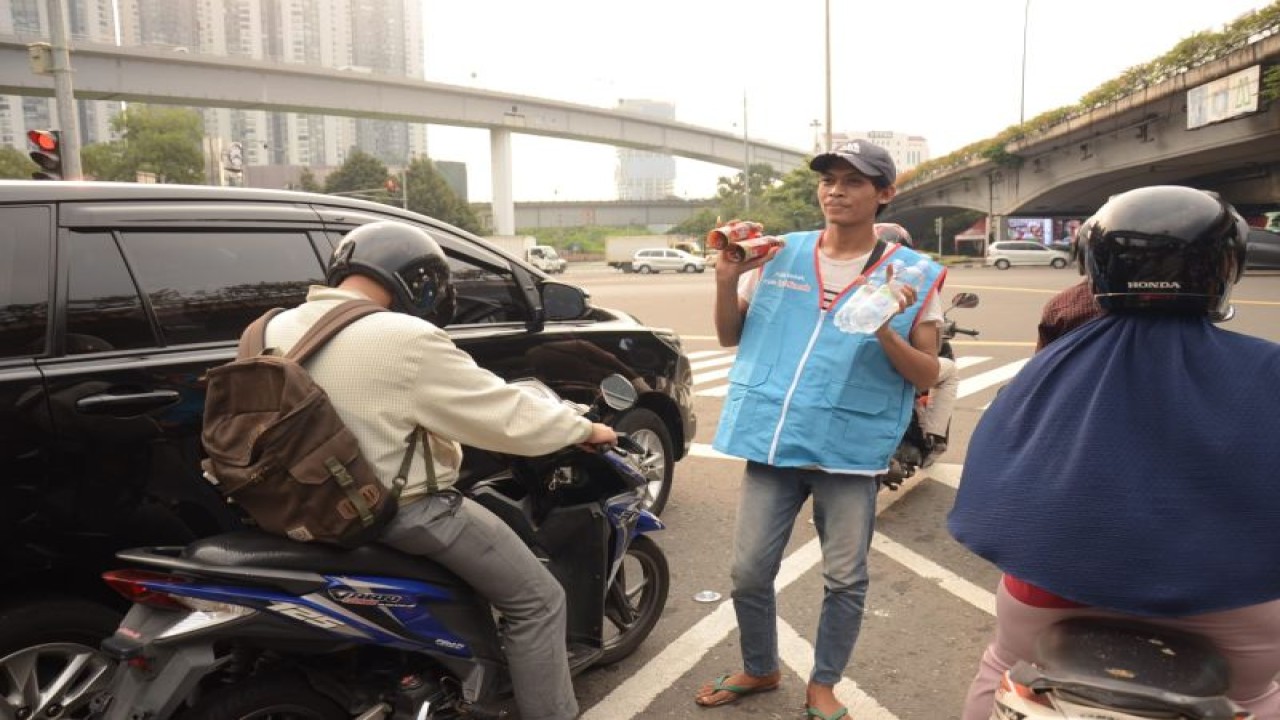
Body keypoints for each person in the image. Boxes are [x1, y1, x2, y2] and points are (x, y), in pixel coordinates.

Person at [947, 185, 1280, 720]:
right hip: (1237, 605)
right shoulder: (1269, 369)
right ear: (1226, 266)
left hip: (1047, 597)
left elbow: (994, 475)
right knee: (1252, 699)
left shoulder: (1048, 366)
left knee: (1003, 667)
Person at [262, 221, 616, 720]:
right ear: (419, 282)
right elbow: (501, 413)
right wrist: (584, 431)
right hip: (402, 513)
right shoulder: (403, 335)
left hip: (288, 509)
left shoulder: (271, 327)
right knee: (537, 601)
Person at [694, 139, 946, 720]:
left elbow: (928, 370)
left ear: (883, 195)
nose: (836, 190)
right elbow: (732, 337)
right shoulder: (779, 254)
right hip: (774, 441)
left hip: (849, 449)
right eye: (828, 179)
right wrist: (725, 280)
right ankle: (761, 666)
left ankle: (824, 684)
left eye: (854, 181)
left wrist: (885, 329)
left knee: (845, 577)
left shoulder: (913, 274)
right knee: (748, 571)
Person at [874, 222, 956, 463]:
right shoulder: (917, 282)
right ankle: (934, 435)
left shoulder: (857, 278)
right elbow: (931, 341)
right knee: (949, 374)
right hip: (900, 362)